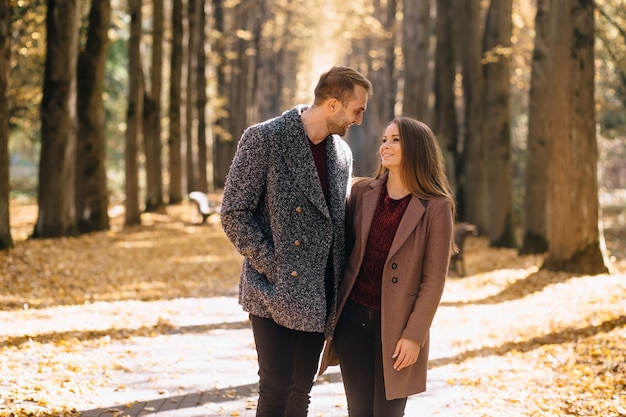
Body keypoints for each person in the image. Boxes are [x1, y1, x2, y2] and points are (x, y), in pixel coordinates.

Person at [220, 66, 373, 417]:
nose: (359, 120)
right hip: (272, 289)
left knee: (301, 392)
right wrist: (275, 266)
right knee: (275, 389)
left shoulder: (342, 155)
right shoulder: (265, 138)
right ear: (333, 104)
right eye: (357, 109)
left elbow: (336, 225)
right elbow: (234, 212)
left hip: (319, 295)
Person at [325, 117, 456, 416]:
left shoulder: (436, 207)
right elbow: (342, 254)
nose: (386, 145)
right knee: (358, 411)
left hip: (398, 329)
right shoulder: (361, 193)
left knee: (388, 413)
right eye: (384, 139)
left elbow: (433, 281)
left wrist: (414, 336)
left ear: (417, 148)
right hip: (353, 320)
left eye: (395, 139)